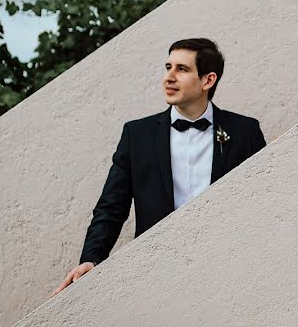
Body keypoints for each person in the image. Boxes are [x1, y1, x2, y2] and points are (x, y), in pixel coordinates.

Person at [53, 38, 266, 295]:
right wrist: (92, 258)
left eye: (182, 69)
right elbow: (112, 207)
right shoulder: (137, 135)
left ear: (208, 80)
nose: (169, 77)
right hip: (156, 276)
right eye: (168, 67)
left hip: (227, 272)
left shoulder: (245, 132)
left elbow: (261, 202)